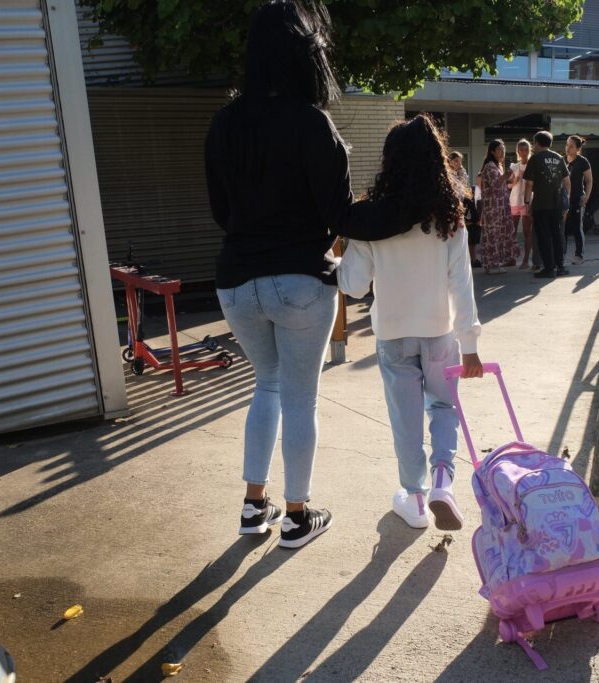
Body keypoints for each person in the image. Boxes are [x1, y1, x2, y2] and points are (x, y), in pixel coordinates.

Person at [204, 0, 411, 549]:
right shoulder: (312, 123)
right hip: (300, 280)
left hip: (235, 282)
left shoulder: (225, 122)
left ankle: (254, 507)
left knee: (265, 386)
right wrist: (408, 208)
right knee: (300, 397)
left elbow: (221, 212)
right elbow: (341, 216)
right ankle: (296, 516)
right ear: (306, 55)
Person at [337, 114, 483, 531]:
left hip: (393, 334)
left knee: (405, 419)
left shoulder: (371, 219)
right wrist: (469, 342)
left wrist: (331, 261)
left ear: (390, 162)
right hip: (439, 333)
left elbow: (353, 286)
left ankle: (416, 500)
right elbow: (462, 284)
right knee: (444, 407)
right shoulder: (449, 217)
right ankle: (442, 480)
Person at [523, 130, 571, 279]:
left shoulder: (535, 159)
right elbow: (567, 182)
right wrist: (566, 201)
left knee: (543, 237)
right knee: (557, 235)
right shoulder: (558, 158)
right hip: (557, 204)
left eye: (534, 143)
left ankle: (549, 268)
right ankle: (561, 267)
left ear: (537, 143)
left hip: (541, 204)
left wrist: (526, 202)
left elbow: (529, 184)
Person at [479, 140, 518, 273]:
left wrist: (510, 179)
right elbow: (495, 185)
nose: (503, 152)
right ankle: (492, 265)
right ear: (492, 151)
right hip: (493, 208)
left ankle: (496, 263)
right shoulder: (490, 166)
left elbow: (503, 186)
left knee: (498, 235)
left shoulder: (497, 165)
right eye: (500, 149)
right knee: (493, 235)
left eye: (503, 149)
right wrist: (506, 176)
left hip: (499, 206)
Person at [508, 139, 538, 271]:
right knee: (512, 231)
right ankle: (512, 258)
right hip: (514, 201)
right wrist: (515, 180)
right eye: (520, 149)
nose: (523, 152)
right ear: (517, 151)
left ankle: (526, 259)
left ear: (529, 150)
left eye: (526, 149)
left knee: (527, 231)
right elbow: (508, 185)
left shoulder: (533, 165)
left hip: (527, 201)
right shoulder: (514, 166)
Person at [564, 135, 593, 264]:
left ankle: (579, 255)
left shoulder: (583, 161)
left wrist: (586, 197)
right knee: (563, 228)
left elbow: (589, 180)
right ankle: (561, 254)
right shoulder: (562, 160)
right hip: (564, 199)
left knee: (577, 227)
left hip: (577, 199)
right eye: (567, 145)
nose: (568, 148)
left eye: (571, 146)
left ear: (577, 148)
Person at [450, 151, 482, 267]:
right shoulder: (448, 174)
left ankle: (471, 259)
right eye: (455, 161)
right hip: (453, 205)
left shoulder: (463, 172)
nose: (458, 163)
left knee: (469, 232)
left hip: (465, 204)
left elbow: (465, 190)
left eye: (460, 161)